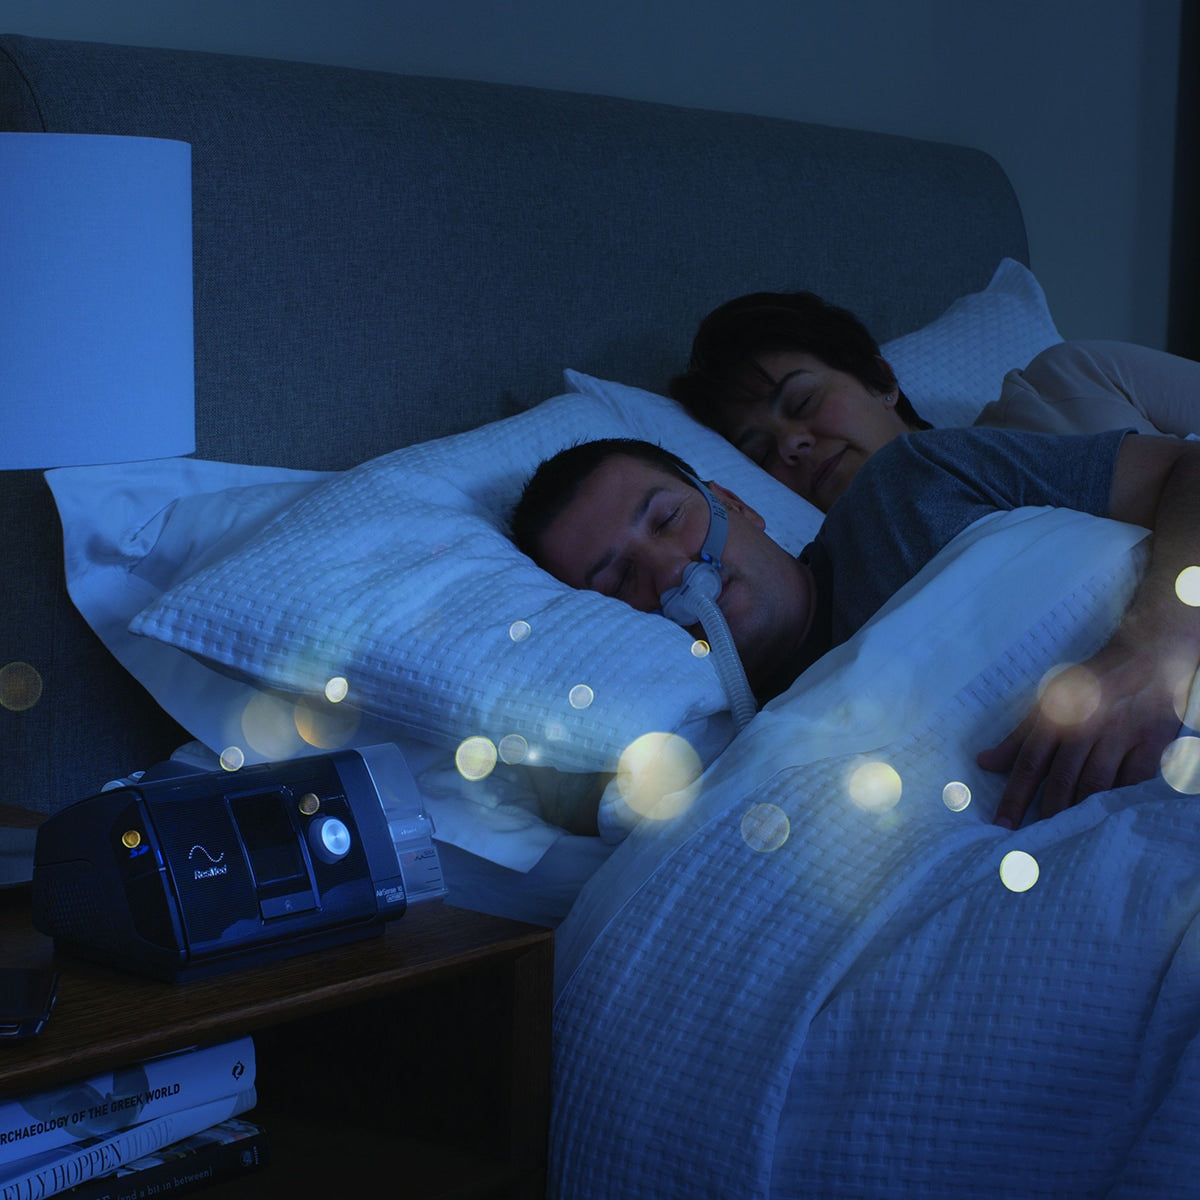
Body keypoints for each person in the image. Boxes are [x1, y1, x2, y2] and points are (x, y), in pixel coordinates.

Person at [510, 425, 1200, 832]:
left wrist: (1157, 645)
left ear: (735, 505)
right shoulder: (713, 750)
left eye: (668, 519)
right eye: (617, 581)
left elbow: (1188, 468)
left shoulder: (908, 490)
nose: (669, 570)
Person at [668, 290, 1200, 511]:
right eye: (761, 452)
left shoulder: (1069, 380)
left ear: (881, 380)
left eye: (803, 402)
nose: (791, 445)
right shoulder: (858, 582)